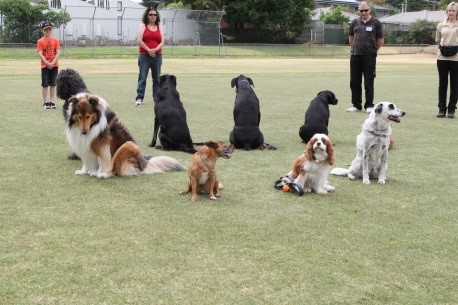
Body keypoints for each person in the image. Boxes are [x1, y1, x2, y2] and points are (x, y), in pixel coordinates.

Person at [347, 1, 384, 114]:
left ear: (369, 10)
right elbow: (351, 38)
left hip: (369, 56)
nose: (363, 13)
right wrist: (355, 48)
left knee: (369, 81)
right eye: (361, 11)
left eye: (365, 10)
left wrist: (372, 51)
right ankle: (356, 105)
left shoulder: (376, 23)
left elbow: (380, 41)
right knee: (354, 81)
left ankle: (369, 105)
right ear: (359, 11)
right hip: (355, 56)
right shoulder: (354, 22)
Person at [135, 6, 165, 107]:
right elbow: (139, 40)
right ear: (147, 16)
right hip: (144, 56)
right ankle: (139, 98)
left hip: (157, 56)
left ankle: (156, 99)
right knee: (142, 78)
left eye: (155, 15)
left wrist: (155, 50)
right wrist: (149, 50)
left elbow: (162, 41)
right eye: (151, 14)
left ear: (157, 16)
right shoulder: (143, 26)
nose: (153, 16)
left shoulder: (159, 27)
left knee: (157, 79)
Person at [435, 2, 458, 119]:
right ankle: (441, 109)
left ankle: (451, 109)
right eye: (449, 10)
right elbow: (438, 40)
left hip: (456, 58)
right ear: (447, 12)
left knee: (455, 84)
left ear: (457, 12)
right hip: (442, 57)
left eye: (453, 10)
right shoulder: (440, 25)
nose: (451, 13)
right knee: (442, 84)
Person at [37, 21, 61, 109]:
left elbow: (58, 51)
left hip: (54, 65)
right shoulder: (40, 41)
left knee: (53, 84)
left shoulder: (55, 40)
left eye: (49, 29)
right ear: (43, 31)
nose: (48, 31)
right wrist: (47, 63)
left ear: (52, 30)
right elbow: (40, 53)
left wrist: (53, 62)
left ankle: (52, 101)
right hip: (44, 66)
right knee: (45, 84)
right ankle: (45, 102)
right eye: (46, 29)